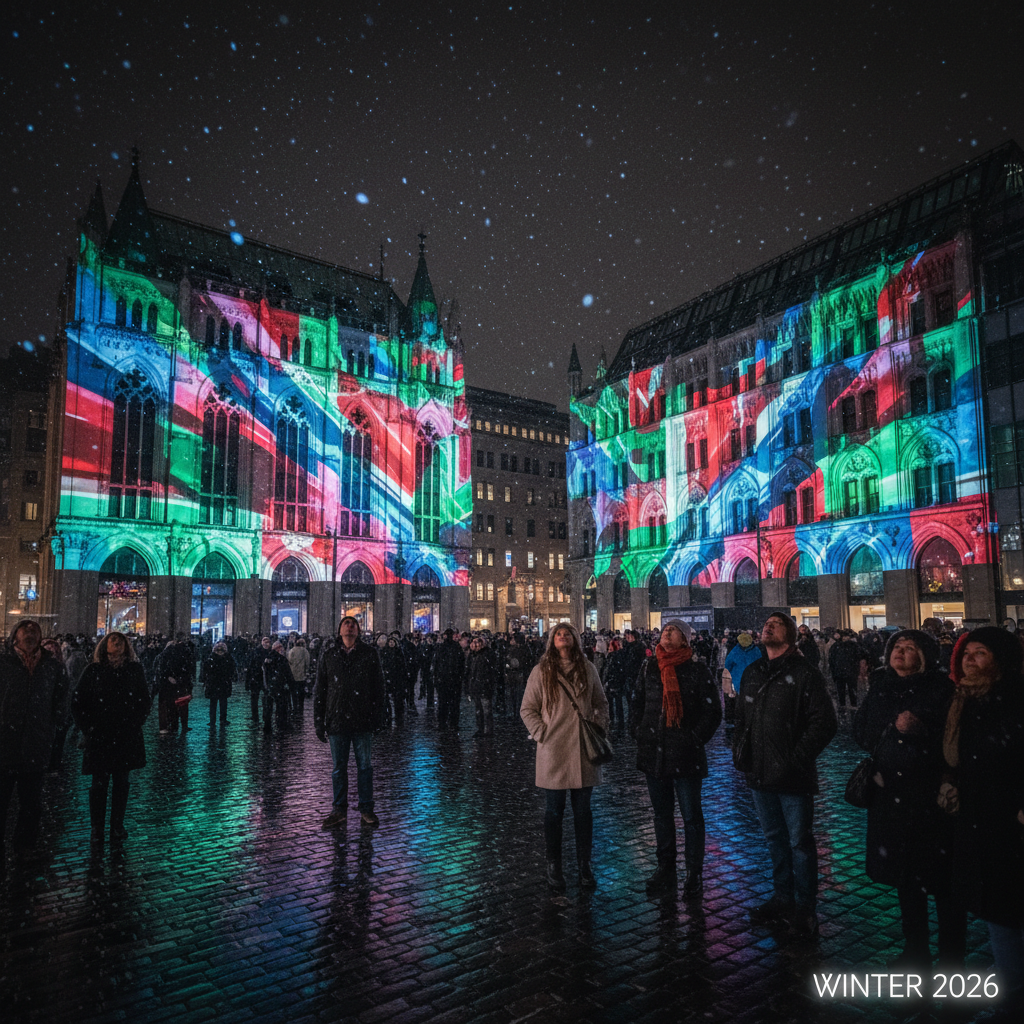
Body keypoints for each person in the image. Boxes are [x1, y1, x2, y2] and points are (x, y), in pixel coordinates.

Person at [852, 630, 964, 968]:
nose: (901, 653)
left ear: (925, 656)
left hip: (930, 799)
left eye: (909, 648)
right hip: (890, 797)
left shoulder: (942, 689)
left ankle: (951, 956)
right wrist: (886, 733)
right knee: (905, 879)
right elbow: (861, 729)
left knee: (943, 882)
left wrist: (922, 733)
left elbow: (954, 741)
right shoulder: (881, 684)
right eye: (897, 648)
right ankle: (915, 950)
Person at [733, 612, 837, 937]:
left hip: (792, 777)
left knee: (800, 843)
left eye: (776, 624)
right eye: (766, 624)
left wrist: (795, 759)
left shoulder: (804, 673)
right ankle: (782, 897)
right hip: (759, 774)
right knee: (774, 840)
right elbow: (741, 719)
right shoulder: (753, 671)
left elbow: (825, 723)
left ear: (790, 636)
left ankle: (805, 909)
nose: (767, 627)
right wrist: (742, 752)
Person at [939, 627, 1024, 1020]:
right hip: (978, 819)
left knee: (1006, 911)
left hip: (1009, 821)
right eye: (967, 654)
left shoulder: (1013, 699)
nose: (971, 660)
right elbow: (961, 759)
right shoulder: (965, 700)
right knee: (997, 910)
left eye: (981, 653)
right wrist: (952, 783)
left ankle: (1011, 996)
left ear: (1000, 659)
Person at [632, 620, 721, 897]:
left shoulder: (696, 668)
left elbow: (712, 711)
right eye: (665, 629)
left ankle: (694, 873)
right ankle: (665, 868)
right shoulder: (650, 666)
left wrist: (693, 738)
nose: (667, 633)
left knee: (691, 815)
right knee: (662, 815)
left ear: (685, 640)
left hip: (685, 754)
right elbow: (637, 701)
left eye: (674, 630)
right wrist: (639, 731)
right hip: (654, 752)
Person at [520, 623, 608, 891]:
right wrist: (542, 733)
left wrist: (598, 727)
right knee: (553, 812)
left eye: (567, 633)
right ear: (551, 641)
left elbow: (600, 703)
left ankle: (584, 864)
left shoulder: (588, 668)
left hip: (583, 748)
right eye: (558, 634)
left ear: (575, 640)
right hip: (554, 749)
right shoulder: (542, 671)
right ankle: (554, 864)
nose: (562, 636)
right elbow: (528, 709)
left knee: (583, 813)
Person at [0, 620, 68, 873]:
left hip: (36, 745)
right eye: (25, 630)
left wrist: (52, 725)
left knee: (31, 805)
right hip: (5, 744)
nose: (30, 634)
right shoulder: (4, 663)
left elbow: (62, 697)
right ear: (14, 636)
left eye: (34, 631)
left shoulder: (50, 666)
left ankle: (25, 848)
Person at [71, 632, 152, 845]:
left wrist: (135, 722)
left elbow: (145, 699)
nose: (116, 643)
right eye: (112, 640)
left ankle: (117, 824)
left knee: (121, 783)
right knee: (99, 784)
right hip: (100, 736)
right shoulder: (94, 670)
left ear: (126, 646)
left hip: (125, 735)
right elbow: (78, 702)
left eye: (120, 641)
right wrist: (88, 728)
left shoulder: (134, 670)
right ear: (104, 646)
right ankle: (97, 827)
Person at [314, 616, 387, 828]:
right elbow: (321, 689)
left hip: (362, 720)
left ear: (359, 631)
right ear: (339, 630)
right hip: (337, 721)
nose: (350, 626)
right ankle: (339, 809)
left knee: (365, 767)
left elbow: (378, 688)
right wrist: (319, 720)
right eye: (346, 623)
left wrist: (379, 716)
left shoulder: (369, 654)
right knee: (339, 768)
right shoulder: (329, 655)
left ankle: (366, 809)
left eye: (353, 624)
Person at [433, 628, 465, 731]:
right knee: (452, 704)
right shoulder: (456, 648)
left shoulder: (442, 648)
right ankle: (452, 724)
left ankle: (443, 723)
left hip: (445, 679)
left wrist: (437, 677)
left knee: (444, 703)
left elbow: (436, 664)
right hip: (452, 680)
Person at [466, 636, 497, 737]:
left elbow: (490, 671)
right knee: (479, 709)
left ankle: (487, 730)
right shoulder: (474, 656)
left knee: (486, 710)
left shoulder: (486, 655)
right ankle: (481, 729)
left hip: (484, 686)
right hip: (477, 686)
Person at [202, 641, 235, 727]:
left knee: (219, 703)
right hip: (218, 683)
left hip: (219, 683)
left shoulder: (214, 659)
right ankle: (216, 720)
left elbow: (232, 670)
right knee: (217, 703)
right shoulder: (223, 659)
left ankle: (218, 720)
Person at [263, 641, 293, 732]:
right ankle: (281, 724)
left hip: (270, 686)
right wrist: (290, 683)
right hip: (280, 686)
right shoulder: (282, 659)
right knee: (281, 707)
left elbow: (264, 673)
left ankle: (267, 725)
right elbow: (287, 673)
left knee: (268, 708)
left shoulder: (268, 659)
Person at [287, 637, 309, 711]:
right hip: (302, 675)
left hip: (293, 674)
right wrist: (306, 671)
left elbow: (289, 661)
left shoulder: (291, 651)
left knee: (293, 692)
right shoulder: (305, 651)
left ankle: (295, 705)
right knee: (301, 691)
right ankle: (301, 705)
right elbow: (307, 662)